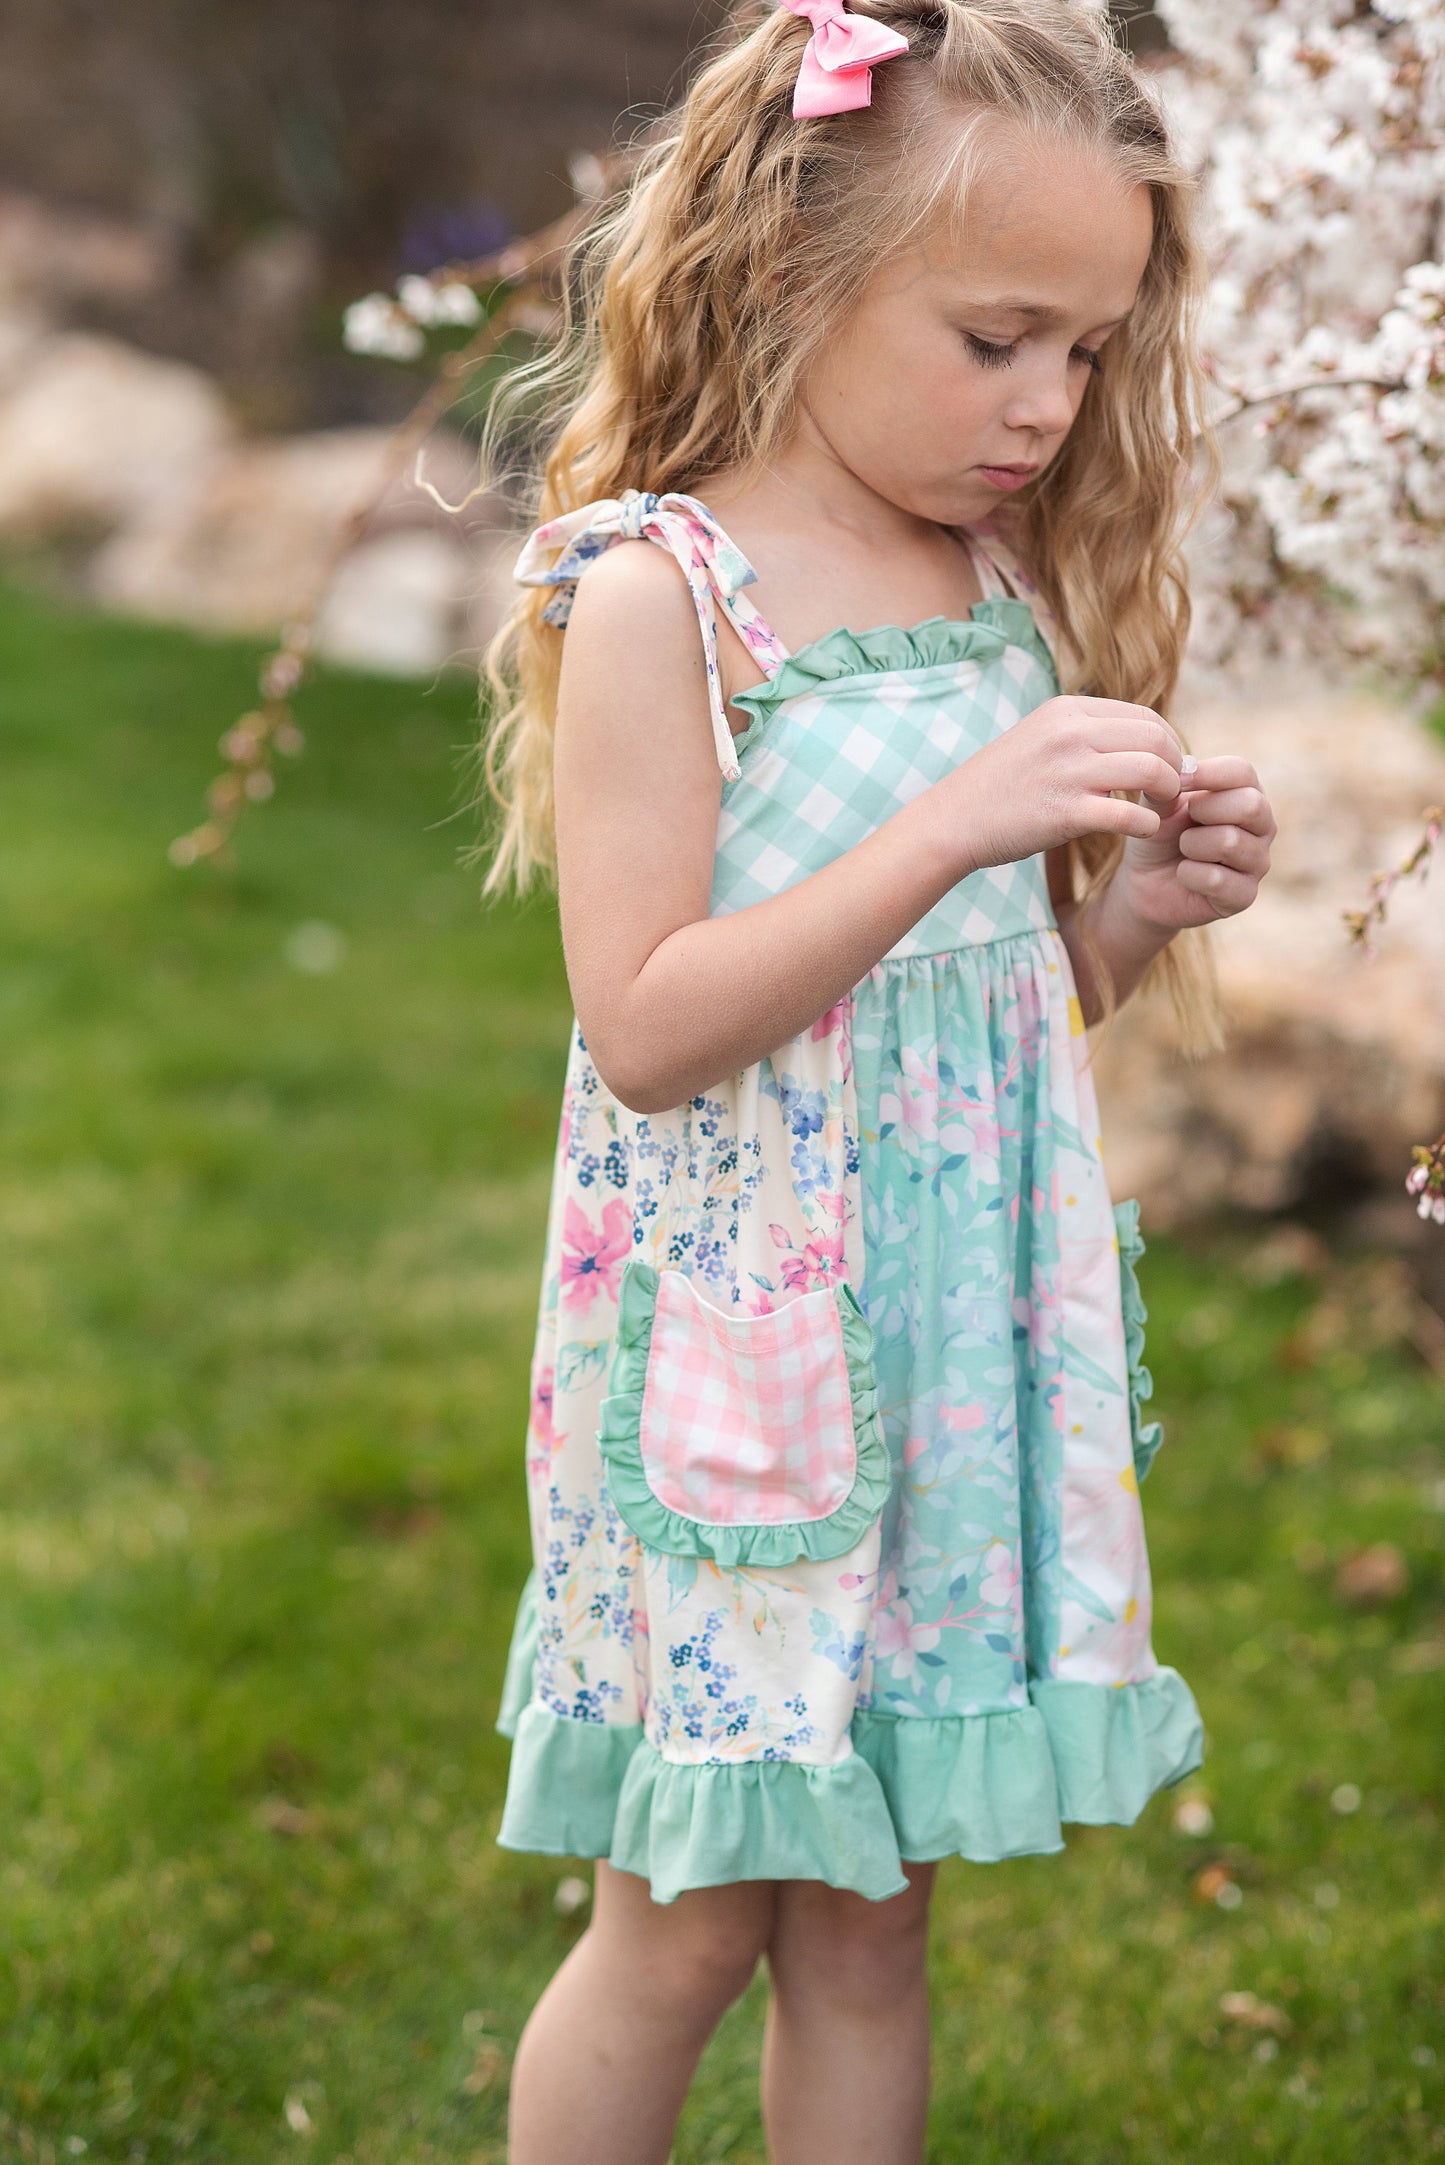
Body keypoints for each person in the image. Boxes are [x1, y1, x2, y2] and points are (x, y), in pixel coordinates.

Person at [484, 3, 1276, 2159]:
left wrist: (1117, 925)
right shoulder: (674, 599)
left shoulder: (989, 587)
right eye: (1000, 336)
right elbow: (651, 1024)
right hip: (753, 1391)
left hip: (943, 1381)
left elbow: (976, 1036)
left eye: (1091, 354)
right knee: (682, 1922)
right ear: (793, 272)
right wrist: (952, 823)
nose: (1050, 405)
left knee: (867, 1930)